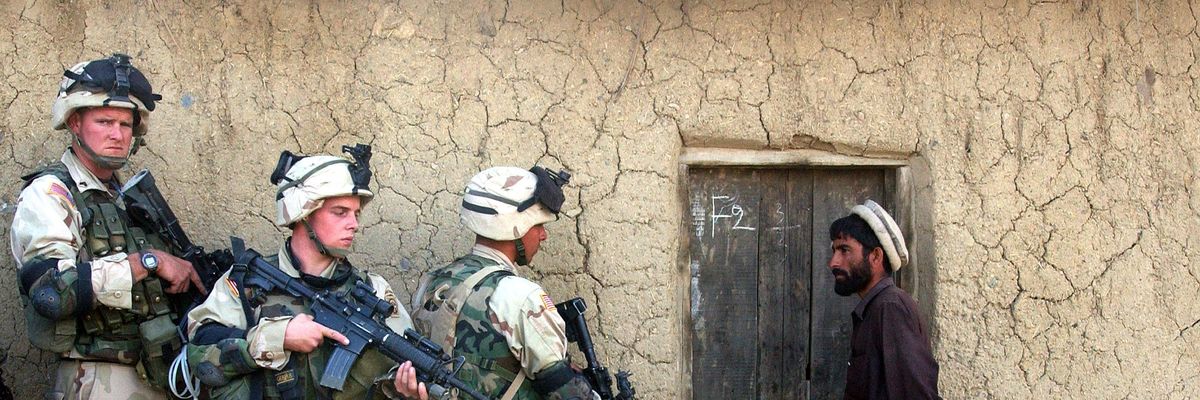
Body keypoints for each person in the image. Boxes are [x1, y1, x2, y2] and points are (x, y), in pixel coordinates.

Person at [9, 53, 206, 398]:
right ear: (74, 123)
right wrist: (150, 262)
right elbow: (51, 292)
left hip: (159, 375)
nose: (117, 134)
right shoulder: (51, 193)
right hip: (97, 378)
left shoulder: (126, 199)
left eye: (125, 125)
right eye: (104, 121)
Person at [184, 145, 427, 399]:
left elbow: (403, 364)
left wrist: (399, 389)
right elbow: (199, 356)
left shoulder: (373, 289)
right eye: (340, 212)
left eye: (356, 213)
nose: (354, 224)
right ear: (303, 212)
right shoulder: (249, 282)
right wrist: (277, 338)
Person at [412, 166, 596, 400]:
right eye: (538, 226)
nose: (543, 235)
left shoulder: (434, 281)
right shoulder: (521, 297)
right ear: (514, 227)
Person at [827, 200, 940, 400]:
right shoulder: (876, 307)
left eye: (844, 250)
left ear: (876, 256)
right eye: (834, 251)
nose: (833, 263)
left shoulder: (890, 308)